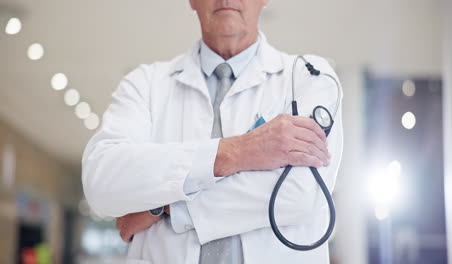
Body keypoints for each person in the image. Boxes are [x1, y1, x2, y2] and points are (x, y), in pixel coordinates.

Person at [82, 0, 343, 263]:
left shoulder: (309, 78)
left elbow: (298, 195)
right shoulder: (144, 84)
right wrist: (241, 151)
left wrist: (163, 207)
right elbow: (102, 182)